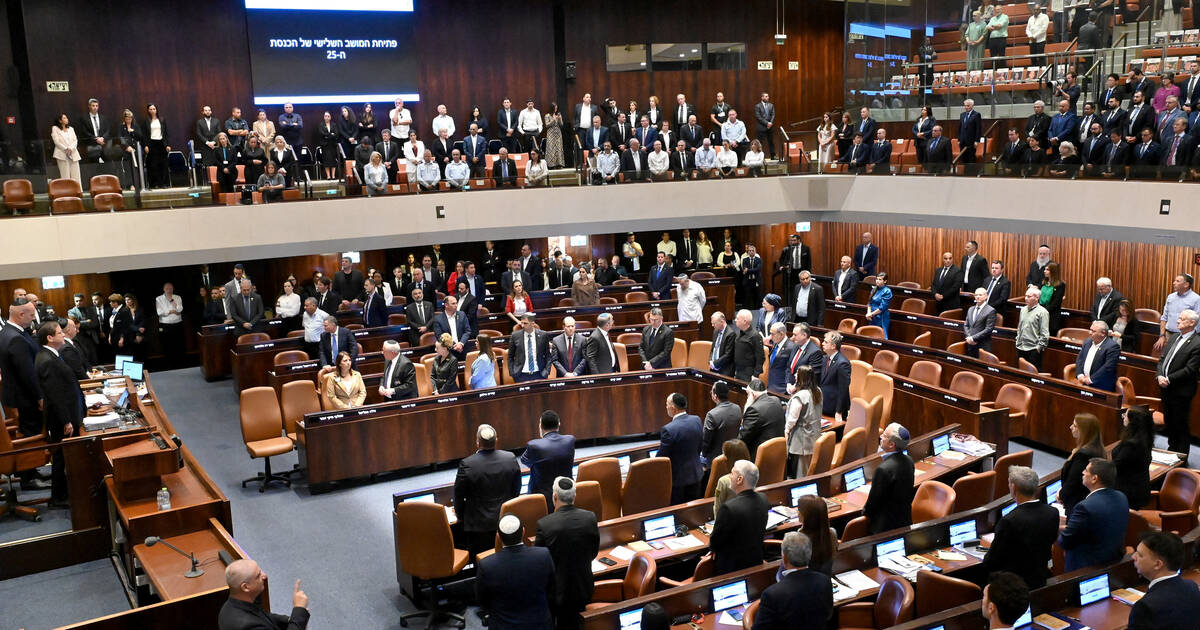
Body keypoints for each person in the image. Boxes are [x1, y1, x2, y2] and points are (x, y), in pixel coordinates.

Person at [535, 477, 599, 630]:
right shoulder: (590, 517)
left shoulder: (544, 524)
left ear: (554, 497)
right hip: (583, 587)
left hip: (557, 592)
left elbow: (541, 562)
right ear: (574, 496)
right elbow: (593, 552)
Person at [982, 465, 1059, 589]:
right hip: (1039, 579)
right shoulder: (1052, 513)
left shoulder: (1009, 521)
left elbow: (991, 562)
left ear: (1013, 487)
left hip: (1011, 586)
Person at [455, 424, 522, 555]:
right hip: (505, 520)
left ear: (477, 443)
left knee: (482, 562)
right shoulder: (510, 458)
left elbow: (458, 495)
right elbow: (516, 489)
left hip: (478, 526)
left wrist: (461, 516)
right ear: (496, 440)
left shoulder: (467, 464)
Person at [34, 321, 80, 508]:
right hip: (60, 418)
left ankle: (63, 493)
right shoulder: (46, 360)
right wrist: (66, 420)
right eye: (60, 333)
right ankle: (58, 498)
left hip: (65, 413)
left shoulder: (51, 355)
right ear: (50, 338)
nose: (64, 335)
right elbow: (55, 394)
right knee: (61, 457)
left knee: (63, 456)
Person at [751, 531, 833, 630]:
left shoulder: (772, 595)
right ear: (809, 555)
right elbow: (828, 615)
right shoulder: (824, 581)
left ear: (784, 559)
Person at [1058, 458, 1129, 572]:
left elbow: (1065, 541)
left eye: (1086, 470)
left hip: (1087, 567)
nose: (1083, 472)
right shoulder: (1121, 497)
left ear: (1094, 478)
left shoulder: (1085, 507)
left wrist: (1062, 531)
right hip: (1114, 560)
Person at [1128, 531, 1200, 630]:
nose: (1133, 557)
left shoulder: (1145, 606)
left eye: (1140, 555)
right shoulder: (1192, 586)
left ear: (1157, 564)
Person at [708, 460, 768, 574]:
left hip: (731, 570)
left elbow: (715, 541)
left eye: (732, 473)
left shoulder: (728, 508)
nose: (730, 477)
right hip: (755, 563)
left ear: (740, 479)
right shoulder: (763, 499)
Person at [1157, 308, 1200, 462]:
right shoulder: (1175, 336)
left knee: (1180, 423)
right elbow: (1162, 359)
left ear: (1192, 323)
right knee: (1170, 422)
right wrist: (1159, 375)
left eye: (1182, 319)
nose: (1178, 321)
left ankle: (1181, 457)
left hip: (1181, 390)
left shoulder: (1197, 343)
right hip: (1166, 388)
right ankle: (1171, 451)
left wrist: (1168, 379)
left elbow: (1190, 369)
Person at [218, 559, 309, 630]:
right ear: (245, 587)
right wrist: (299, 609)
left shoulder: (234, 604)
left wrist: (292, 619)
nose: (264, 575)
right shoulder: (249, 626)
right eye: (258, 576)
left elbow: (265, 617)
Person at [864, 423, 915, 534]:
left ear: (891, 444)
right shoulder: (909, 461)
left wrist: (863, 514)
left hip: (884, 528)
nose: (881, 436)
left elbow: (872, 504)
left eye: (885, 435)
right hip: (904, 522)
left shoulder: (883, 469)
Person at [521, 410, 575, 509]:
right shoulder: (570, 440)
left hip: (542, 500)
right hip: (567, 495)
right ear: (559, 424)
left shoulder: (534, 445)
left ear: (540, 426)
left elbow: (524, 461)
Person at [659, 393, 704, 503]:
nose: (666, 407)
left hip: (678, 481)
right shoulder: (697, 420)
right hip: (696, 474)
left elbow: (661, 459)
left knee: (679, 514)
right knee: (693, 512)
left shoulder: (668, 429)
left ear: (673, 408)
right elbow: (699, 446)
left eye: (667, 404)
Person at [784, 363, 823, 477]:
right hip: (814, 435)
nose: (795, 375)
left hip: (801, 440)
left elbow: (792, 420)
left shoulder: (800, 396)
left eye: (797, 373)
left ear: (802, 377)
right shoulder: (818, 391)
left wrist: (786, 431)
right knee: (809, 468)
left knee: (801, 474)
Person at [1073, 320, 1121, 392]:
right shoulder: (1087, 342)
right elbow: (1080, 359)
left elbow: (1108, 367)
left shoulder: (1112, 347)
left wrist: (1090, 379)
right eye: (1090, 330)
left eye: (1093, 331)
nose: (1090, 333)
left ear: (1103, 333)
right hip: (1083, 383)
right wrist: (1080, 375)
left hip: (1101, 387)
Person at [819, 331, 851, 419]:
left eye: (826, 342)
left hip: (834, 409)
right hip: (823, 404)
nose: (822, 343)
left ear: (833, 346)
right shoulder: (825, 358)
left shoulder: (843, 363)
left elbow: (843, 389)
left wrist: (838, 411)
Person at [1015, 287, 1050, 369]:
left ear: (1037, 298)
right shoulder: (1023, 310)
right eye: (1025, 296)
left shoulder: (1043, 312)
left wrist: (1039, 347)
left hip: (1033, 349)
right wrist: (1017, 340)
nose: (1026, 298)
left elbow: (1045, 333)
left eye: (1029, 296)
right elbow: (1020, 327)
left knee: (1033, 376)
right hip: (1021, 347)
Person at [510, 313, 551, 382]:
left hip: (539, 374)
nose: (522, 325)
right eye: (521, 323)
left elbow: (548, 356)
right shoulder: (515, 336)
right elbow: (510, 356)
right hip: (520, 375)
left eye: (525, 323)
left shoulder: (543, 335)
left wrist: (546, 371)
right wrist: (513, 372)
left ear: (532, 324)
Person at [961, 287, 997, 358]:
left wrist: (973, 338)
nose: (977, 297)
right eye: (976, 295)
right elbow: (966, 325)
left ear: (986, 296)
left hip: (983, 345)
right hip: (970, 344)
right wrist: (969, 337)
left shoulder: (991, 310)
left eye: (980, 295)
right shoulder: (970, 309)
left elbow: (988, 329)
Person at [731, 309, 764, 381]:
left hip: (748, 374)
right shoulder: (740, 333)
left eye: (737, 318)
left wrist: (756, 374)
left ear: (744, 321)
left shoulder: (755, 336)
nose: (735, 320)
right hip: (738, 371)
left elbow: (760, 358)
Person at [51, 113, 82, 185]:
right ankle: (67, 192)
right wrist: (66, 149)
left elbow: (75, 140)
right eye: (64, 118)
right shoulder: (55, 128)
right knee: (65, 175)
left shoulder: (71, 129)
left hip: (73, 153)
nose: (67, 119)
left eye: (66, 118)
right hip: (62, 154)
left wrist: (71, 148)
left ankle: (78, 191)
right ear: (60, 120)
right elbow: (56, 141)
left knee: (76, 175)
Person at [315, 111, 339, 179]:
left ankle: (333, 175)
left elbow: (336, 133)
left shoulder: (334, 124)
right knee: (326, 161)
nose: (327, 117)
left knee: (333, 160)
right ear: (324, 117)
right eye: (325, 116)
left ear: (330, 117)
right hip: (325, 145)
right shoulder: (321, 125)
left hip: (333, 145)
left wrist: (328, 136)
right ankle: (328, 176)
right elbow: (321, 134)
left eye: (328, 116)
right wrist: (331, 134)